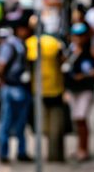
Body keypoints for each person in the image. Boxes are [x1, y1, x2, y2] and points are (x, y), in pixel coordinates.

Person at [0, 21, 33, 163]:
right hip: (16, 87)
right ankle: (14, 152)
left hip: (13, 87)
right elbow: (2, 67)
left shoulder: (12, 45)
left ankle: (8, 153)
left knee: (10, 122)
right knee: (15, 122)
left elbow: (0, 67)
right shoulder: (16, 45)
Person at [28, 23, 67, 162]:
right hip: (55, 88)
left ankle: (51, 155)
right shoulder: (55, 43)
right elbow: (63, 61)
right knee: (55, 126)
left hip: (39, 89)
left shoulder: (31, 43)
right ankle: (55, 155)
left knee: (44, 126)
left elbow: (29, 64)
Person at [63, 23, 94, 161]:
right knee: (76, 120)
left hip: (85, 89)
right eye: (75, 36)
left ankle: (84, 149)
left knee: (81, 118)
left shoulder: (92, 51)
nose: (78, 39)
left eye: (80, 36)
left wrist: (85, 76)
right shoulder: (69, 51)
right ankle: (79, 147)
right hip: (72, 89)